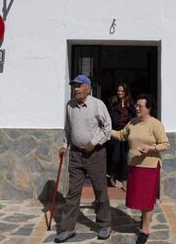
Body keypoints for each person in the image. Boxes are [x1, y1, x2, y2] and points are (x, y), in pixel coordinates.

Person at [55, 75, 112, 243]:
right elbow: (68, 128)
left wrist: (94, 143)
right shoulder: (70, 106)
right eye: (74, 86)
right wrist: (65, 146)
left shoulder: (97, 104)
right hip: (76, 155)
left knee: (100, 190)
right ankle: (67, 228)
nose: (76, 89)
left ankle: (104, 224)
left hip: (95, 154)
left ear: (88, 87)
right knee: (72, 193)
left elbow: (107, 128)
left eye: (79, 86)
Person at [110, 94, 169, 244]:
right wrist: (107, 131)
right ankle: (145, 218)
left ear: (148, 108)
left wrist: (151, 148)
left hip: (149, 167)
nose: (136, 108)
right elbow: (121, 135)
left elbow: (165, 144)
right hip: (134, 166)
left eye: (140, 106)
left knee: (147, 200)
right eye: (136, 105)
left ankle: (145, 230)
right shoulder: (132, 123)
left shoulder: (155, 124)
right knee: (138, 198)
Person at [107, 83, 136, 191]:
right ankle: (113, 175)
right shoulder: (113, 102)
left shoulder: (131, 103)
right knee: (116, 157)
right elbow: (108, 116)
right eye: (118, 90)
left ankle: (124, 181)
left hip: (127, 134)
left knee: (125, 158)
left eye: (122, 91)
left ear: (126, 92)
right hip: (115, 133)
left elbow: (135, 117)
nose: (119, 93)